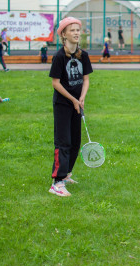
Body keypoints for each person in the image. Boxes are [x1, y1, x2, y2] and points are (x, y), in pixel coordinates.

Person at [48, 17, 93, 197]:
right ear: (64, 34)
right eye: (72, 30)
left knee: (75, 142)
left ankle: (66, 175)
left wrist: (81, 98)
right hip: (63, 105)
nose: (76, 33)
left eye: (77, 30)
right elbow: (56, 83)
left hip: (77, 103)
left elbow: (86, 79)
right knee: (63, 142)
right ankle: (57, 182)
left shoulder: (84, 55)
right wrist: (73, 100)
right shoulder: (59, 56)